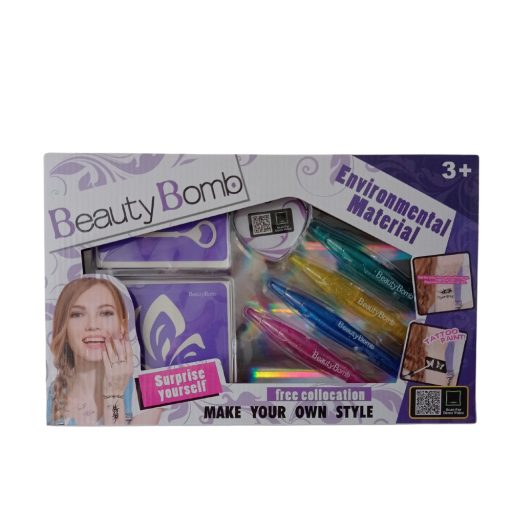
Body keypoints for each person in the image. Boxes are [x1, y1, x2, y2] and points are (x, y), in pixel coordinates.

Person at [48, 277, 161, 425]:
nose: (93, 325)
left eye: (106, 313)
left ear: (122, 326)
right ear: (64, 327)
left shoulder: (149, 391)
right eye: (77, 314)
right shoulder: (49, 397)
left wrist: (114, 393)